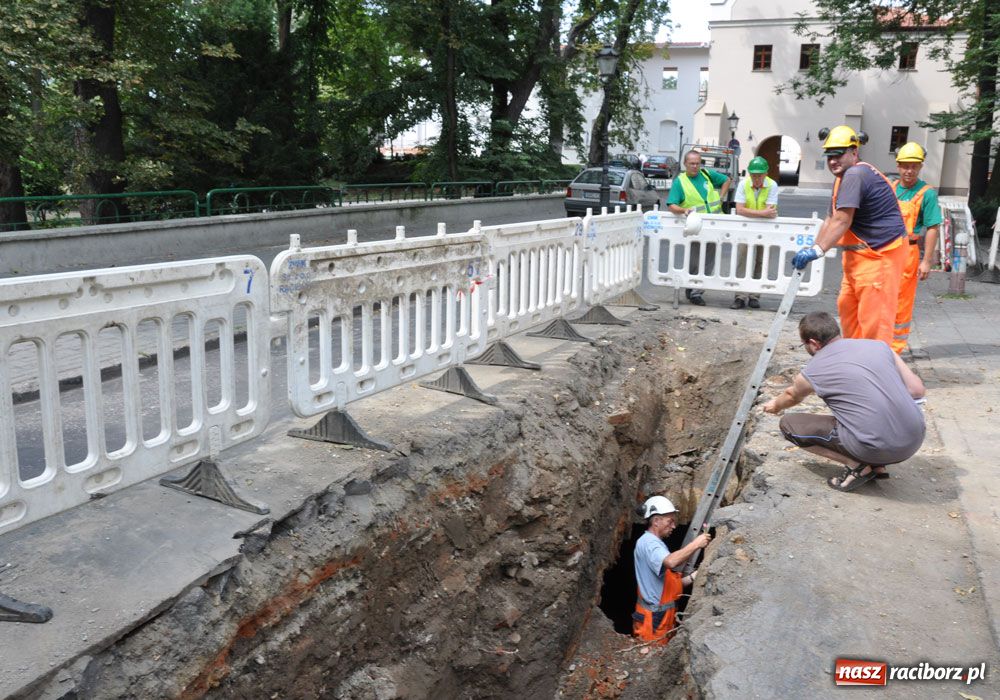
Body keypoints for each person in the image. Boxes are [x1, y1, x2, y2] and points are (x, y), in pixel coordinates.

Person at [763, 311, 926, 492]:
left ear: (814, 343)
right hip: (914, 440)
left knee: (789, 424)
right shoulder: (880, 346)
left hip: (878, 446)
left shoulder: (813, 370)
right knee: (861, 416)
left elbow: (792, 396)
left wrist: (775, 405)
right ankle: (878, 465)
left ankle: (857, 466)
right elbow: (917, 390)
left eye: (804, 345)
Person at [791, 126, 908, 347]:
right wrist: (812, 248)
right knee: (849, 315)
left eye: (839, 154)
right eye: (829, 156)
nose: (833, 161)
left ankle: (876, 374)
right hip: (859, 260)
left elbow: (843, 220)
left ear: (854, 152)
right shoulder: (842, 178)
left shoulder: (856, 173)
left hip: (879, 258)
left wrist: (817, 251)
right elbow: (831, 220)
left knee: (874, 324)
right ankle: (854, 367)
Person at [632, 495, 711, 645]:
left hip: (660, 617)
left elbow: (668, 587)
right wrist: (696, 544)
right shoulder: (650, 544)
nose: (674, 526)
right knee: (652, 659)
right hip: (653, 621)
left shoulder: (655, 544)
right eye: (670, 521)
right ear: (656, 521)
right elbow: (671, 561)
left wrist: (695, 576)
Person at [891, 142, 942, 354]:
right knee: (881, 299)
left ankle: (895, 349)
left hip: (908, 253)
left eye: (914, 166)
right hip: (885, 252)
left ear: (920, 167)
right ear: (898, 166)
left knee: (901, 302)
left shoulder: (927, 193)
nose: (909, 170)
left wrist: (926, 260)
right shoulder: (891, 188)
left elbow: (932, 227)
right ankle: (877, 344)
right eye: (905, 165)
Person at [667, 150, 732, 306]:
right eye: (692, 163)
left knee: (708, 261)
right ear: (685, 164)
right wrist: (683, 210)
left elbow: (727, 180)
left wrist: (721, 197)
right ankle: (692, 286)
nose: (695, 166)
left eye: (698, 163)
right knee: (695, 261)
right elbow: (671, 205)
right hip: (695, 227)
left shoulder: (706, 174)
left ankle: (697, 292)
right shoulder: (680, 182)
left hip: (714, 224)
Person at [731, 156, 779, 309]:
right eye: (753, 175)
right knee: (742, 261)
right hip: (745, 229)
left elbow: (770, 211)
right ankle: (740, 296)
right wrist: (762, 213)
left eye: (759, 175)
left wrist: (751, 212)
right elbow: (739, 209)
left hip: (766, 230)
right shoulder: (743, 184)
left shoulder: (772, 185)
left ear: (766, 174)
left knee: (761, 261)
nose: (756, 178)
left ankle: (754, 296)